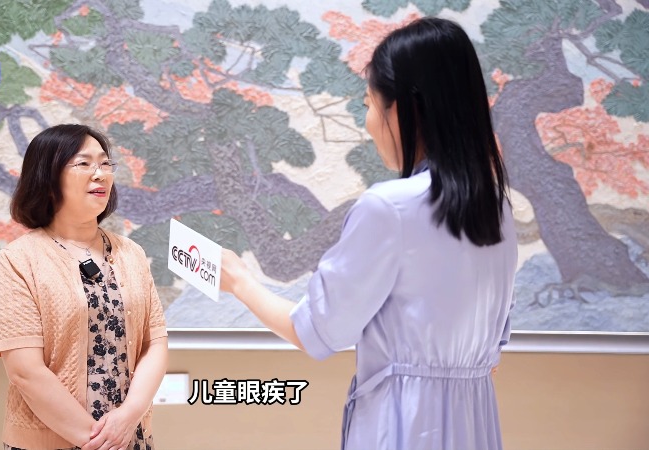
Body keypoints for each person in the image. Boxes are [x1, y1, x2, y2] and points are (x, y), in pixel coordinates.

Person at [219, 17, 517, 450]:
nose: (368, 122)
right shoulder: (497, 208)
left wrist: (238, 281)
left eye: (369, 104)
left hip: (404, 426)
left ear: (403, 109)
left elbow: (318, 330)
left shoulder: (389, 209)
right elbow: (493, 349)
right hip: (474, 424)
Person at [0, 124, 168, 450]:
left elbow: (154, 344)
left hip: (130, 436)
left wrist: (129, 417)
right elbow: (25, 371)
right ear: (48, 177)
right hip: (52, 441)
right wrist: (99, 442)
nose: (100, 174)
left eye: (105, 164)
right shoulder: (18, 260)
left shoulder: (132, 254)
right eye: (84, 163)